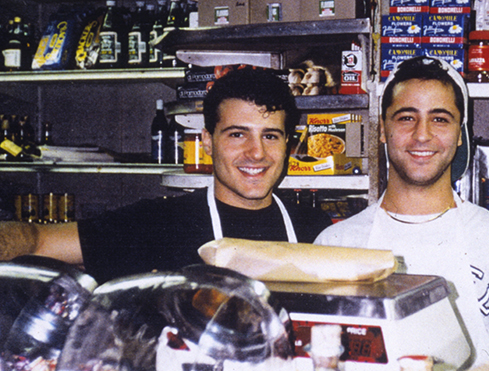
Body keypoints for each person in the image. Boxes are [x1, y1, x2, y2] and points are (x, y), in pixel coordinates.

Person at [314, 56, 489, 367]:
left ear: (460, 134)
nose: (422, 135)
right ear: (382, 129)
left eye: (440, 119)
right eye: (406, 118)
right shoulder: (335, 244)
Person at [0, 66, 332, 284]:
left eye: (270, 136)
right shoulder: (157, 223)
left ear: (288, 144)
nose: (256, 153)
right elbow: (37, 239)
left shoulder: (317, 231)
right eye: (237, 134)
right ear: (206, 142)